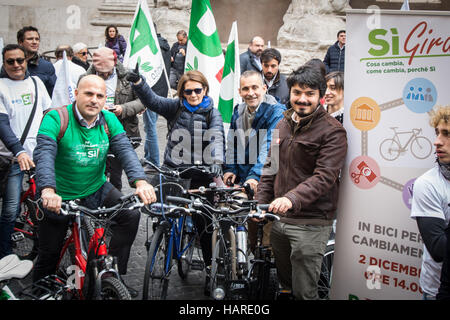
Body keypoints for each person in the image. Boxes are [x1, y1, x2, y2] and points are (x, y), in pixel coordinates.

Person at [32, 74, 156, 297]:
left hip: (95, 187)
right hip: (59, 195)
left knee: (130, 215)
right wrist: (48, 190)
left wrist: (141, 181)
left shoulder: (108, 119)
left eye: (100, 95)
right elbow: (44, 153)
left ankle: (112, 275)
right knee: (48, 253)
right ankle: (42, 290)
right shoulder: (55, 118)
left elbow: (125, 150)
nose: (94, 100)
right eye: (88, 93)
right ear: (77, 94)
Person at [127, 68, 225, 290]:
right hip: (173, 170)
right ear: (181, 93)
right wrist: (139, 82)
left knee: (204, 223)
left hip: (201, 173)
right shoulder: (176, 106)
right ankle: (162, 236)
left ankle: (210, 268)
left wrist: (217, 161)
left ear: (205, 89)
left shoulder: (212, 112)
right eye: (187, 91)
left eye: (197, 90)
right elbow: (153, 101)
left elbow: (217, 136)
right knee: (159, 211)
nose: (192, 95)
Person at [257, 65, 348, 300]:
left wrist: (291, 198)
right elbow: (270, 169)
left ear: (320, 95)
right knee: (285, 286)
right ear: (290, 94)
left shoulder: (333, 131)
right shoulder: (282, 125)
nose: (303, 99)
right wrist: (261, 204)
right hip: (279, 220)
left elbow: (324, 176)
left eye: (310, 94)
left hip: (311, 223)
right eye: (297, 92)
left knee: (304, 292)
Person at [224, 70, 285, 250]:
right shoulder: (238, 110)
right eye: (245, 89)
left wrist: (255, 176)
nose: (250, 93)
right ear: (239, 91)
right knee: (245, 223)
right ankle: (246, 255)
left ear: (264, 88)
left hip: (268, 178)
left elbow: (269, 147)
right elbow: (232, 142)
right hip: (245, 178)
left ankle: (264, 266)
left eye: (255, 87)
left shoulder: (276, 112)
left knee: (267, 236)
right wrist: (230, 169)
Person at [0, 44, 51, 259]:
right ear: (4, 64)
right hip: (13, 158)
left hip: (39, 156)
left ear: (26, 61)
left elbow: (49, 114)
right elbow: (2, 124)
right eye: (10, 61)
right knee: (11, 208)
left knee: (45, 204)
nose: (16, 65)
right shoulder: (1, 86)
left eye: (19, 60)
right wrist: (19, 151)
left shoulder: (37, 83)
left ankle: (46, 248)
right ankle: (4, 253)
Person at [84, 47, 145, 192]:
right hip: (94, 134)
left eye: (108, 71)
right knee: (92, 174)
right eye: (101, 72)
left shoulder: (129, 76)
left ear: (115, 64)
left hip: (122, 130)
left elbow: (143, 100)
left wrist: (123, 109)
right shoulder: (85, 78)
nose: (104, 74)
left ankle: (115, 204)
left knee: (116, 175)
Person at [410, 105, 450, 300]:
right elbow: (439, 250)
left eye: (447, 134)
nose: (437, 142)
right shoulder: (427, 184)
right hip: (436, 291)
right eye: (437, 133)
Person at [142, 24, 172, 167]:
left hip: (152, 91)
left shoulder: (153, 47)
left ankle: (153, 160)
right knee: (150, 125)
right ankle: (148, 156)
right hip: (161, 90)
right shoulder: (164, 44)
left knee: (150, 127)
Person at [17, 26, 56, 97]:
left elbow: (53, 93)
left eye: (37, 39)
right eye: (30, 39)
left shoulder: (46, 66)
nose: (34, 42)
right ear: (20, 42)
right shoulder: (11, 65)